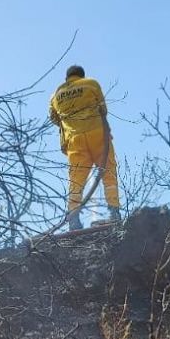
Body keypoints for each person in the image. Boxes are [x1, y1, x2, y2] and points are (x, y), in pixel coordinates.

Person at [49, 65, 121, 230]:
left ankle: (73, 220)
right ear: (81, 75)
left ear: (67, 78)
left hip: (75, 140)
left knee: (76, 181)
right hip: (97, 134)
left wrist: (71, 122)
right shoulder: (91, 83)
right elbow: (103, 108)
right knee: (108, 172)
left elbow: (54, 118)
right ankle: (114, 213)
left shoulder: (55, 95)